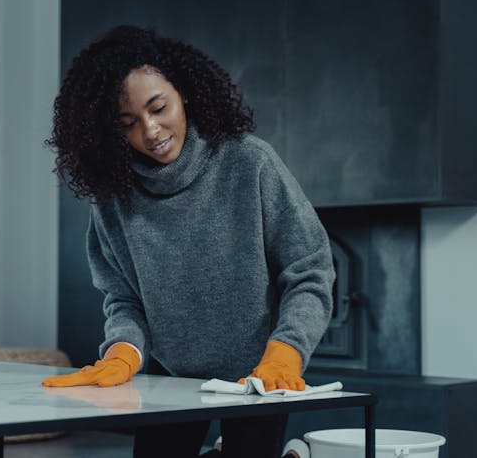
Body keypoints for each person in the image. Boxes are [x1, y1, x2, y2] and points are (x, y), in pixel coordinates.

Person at [42, 25, 335, 458]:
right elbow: (123, 298)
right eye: (128, 124)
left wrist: (286, 352)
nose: (151, 131)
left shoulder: (249, 161)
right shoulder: (113, 199)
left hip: (259, 374)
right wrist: (122, 352)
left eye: (159, 107)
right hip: (170, 374)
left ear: (185, 92)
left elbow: (310, 271)